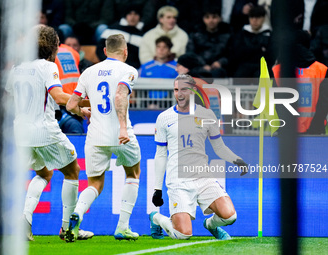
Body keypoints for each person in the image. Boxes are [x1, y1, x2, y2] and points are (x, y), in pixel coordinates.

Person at [5, 25, 93, 241]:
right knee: (72, 171)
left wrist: (78, 109)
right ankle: (67, 228)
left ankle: (24, 222)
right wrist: (90, 101)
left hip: (21, 132)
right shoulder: (48, 66)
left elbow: (9, 100)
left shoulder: (16, 68)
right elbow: (59, 96)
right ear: (53, 45)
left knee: (44, 173)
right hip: (44, 130)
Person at [149, 74, 248, 240]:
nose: (179, 94)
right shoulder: (164, 118)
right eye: (176, 90)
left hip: (203, 177)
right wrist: (157, 188)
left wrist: (236, 160)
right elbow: (160, 154)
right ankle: (156, 218)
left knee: (230, 216)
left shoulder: (207, 115)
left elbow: (219, 147)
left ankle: (210, 225)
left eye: (184, 90)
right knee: (182, 235)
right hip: (178, 180)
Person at [65, 34, 141, 242]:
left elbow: (71, 105)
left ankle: (77, 214)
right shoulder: (128, 70)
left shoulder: (88, 72)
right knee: (133, 174)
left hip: (95, 136)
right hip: (120, 135)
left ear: (105, 51)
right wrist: (123, 128)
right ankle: (123, 227)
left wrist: (84, 113)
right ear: (126, 52)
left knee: (94, 184)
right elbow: (119, 95)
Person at [273, 30, 328, 134]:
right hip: (315, 131)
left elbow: (278, 103)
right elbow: (324, 104)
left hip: (288, 131)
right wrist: (315, 127)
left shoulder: (279, 70)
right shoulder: (321, 69)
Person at [228, 5, 272, 79]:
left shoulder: (269, 35)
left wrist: (249, 49)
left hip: (263, 68)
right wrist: (260, 49)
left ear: (263, 18)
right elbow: (237, 53)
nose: (254, 20)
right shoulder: (241, 34)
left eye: (258, 17)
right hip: (243, 67)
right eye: (252, 17)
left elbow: (270, 55)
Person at [186, 7, 232, 78]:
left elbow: (231, 54)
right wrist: (203, 65)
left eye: (214, 17)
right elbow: (190, 53)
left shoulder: (227, 35)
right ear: (203, 19)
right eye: (207, 17)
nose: (211, 20)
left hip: (220, 69)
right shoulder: (195, 34)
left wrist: (220, 62)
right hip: (198, 68)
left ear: (220, 18)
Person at [96, 4, 144, 69]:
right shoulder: (113, 29)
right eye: (130, 14)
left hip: (131, 69)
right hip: (110, 66)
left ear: (140, 17)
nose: (133, 17)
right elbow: (100, 48)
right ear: (125, 16)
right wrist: (109, 62)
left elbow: (141, 57)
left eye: (136, 14)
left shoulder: (143, 36)